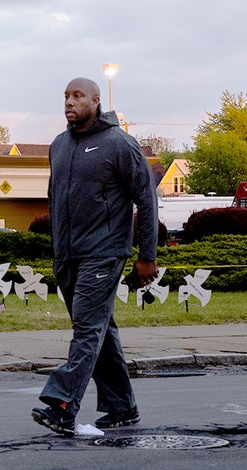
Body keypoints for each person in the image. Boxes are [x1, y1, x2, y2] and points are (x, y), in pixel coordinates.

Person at [32, 77, 159, 436]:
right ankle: (122, 408)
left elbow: (146, 200)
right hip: (68, 255)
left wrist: (146, 255)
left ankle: (61, 405)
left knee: (87, 330)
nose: (69, 102)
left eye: (77, 96)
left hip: (104, 253)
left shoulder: (119, 144)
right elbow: (55, 200)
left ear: (96, 100)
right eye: (66, 96)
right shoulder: (58, 146)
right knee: (99, 331)